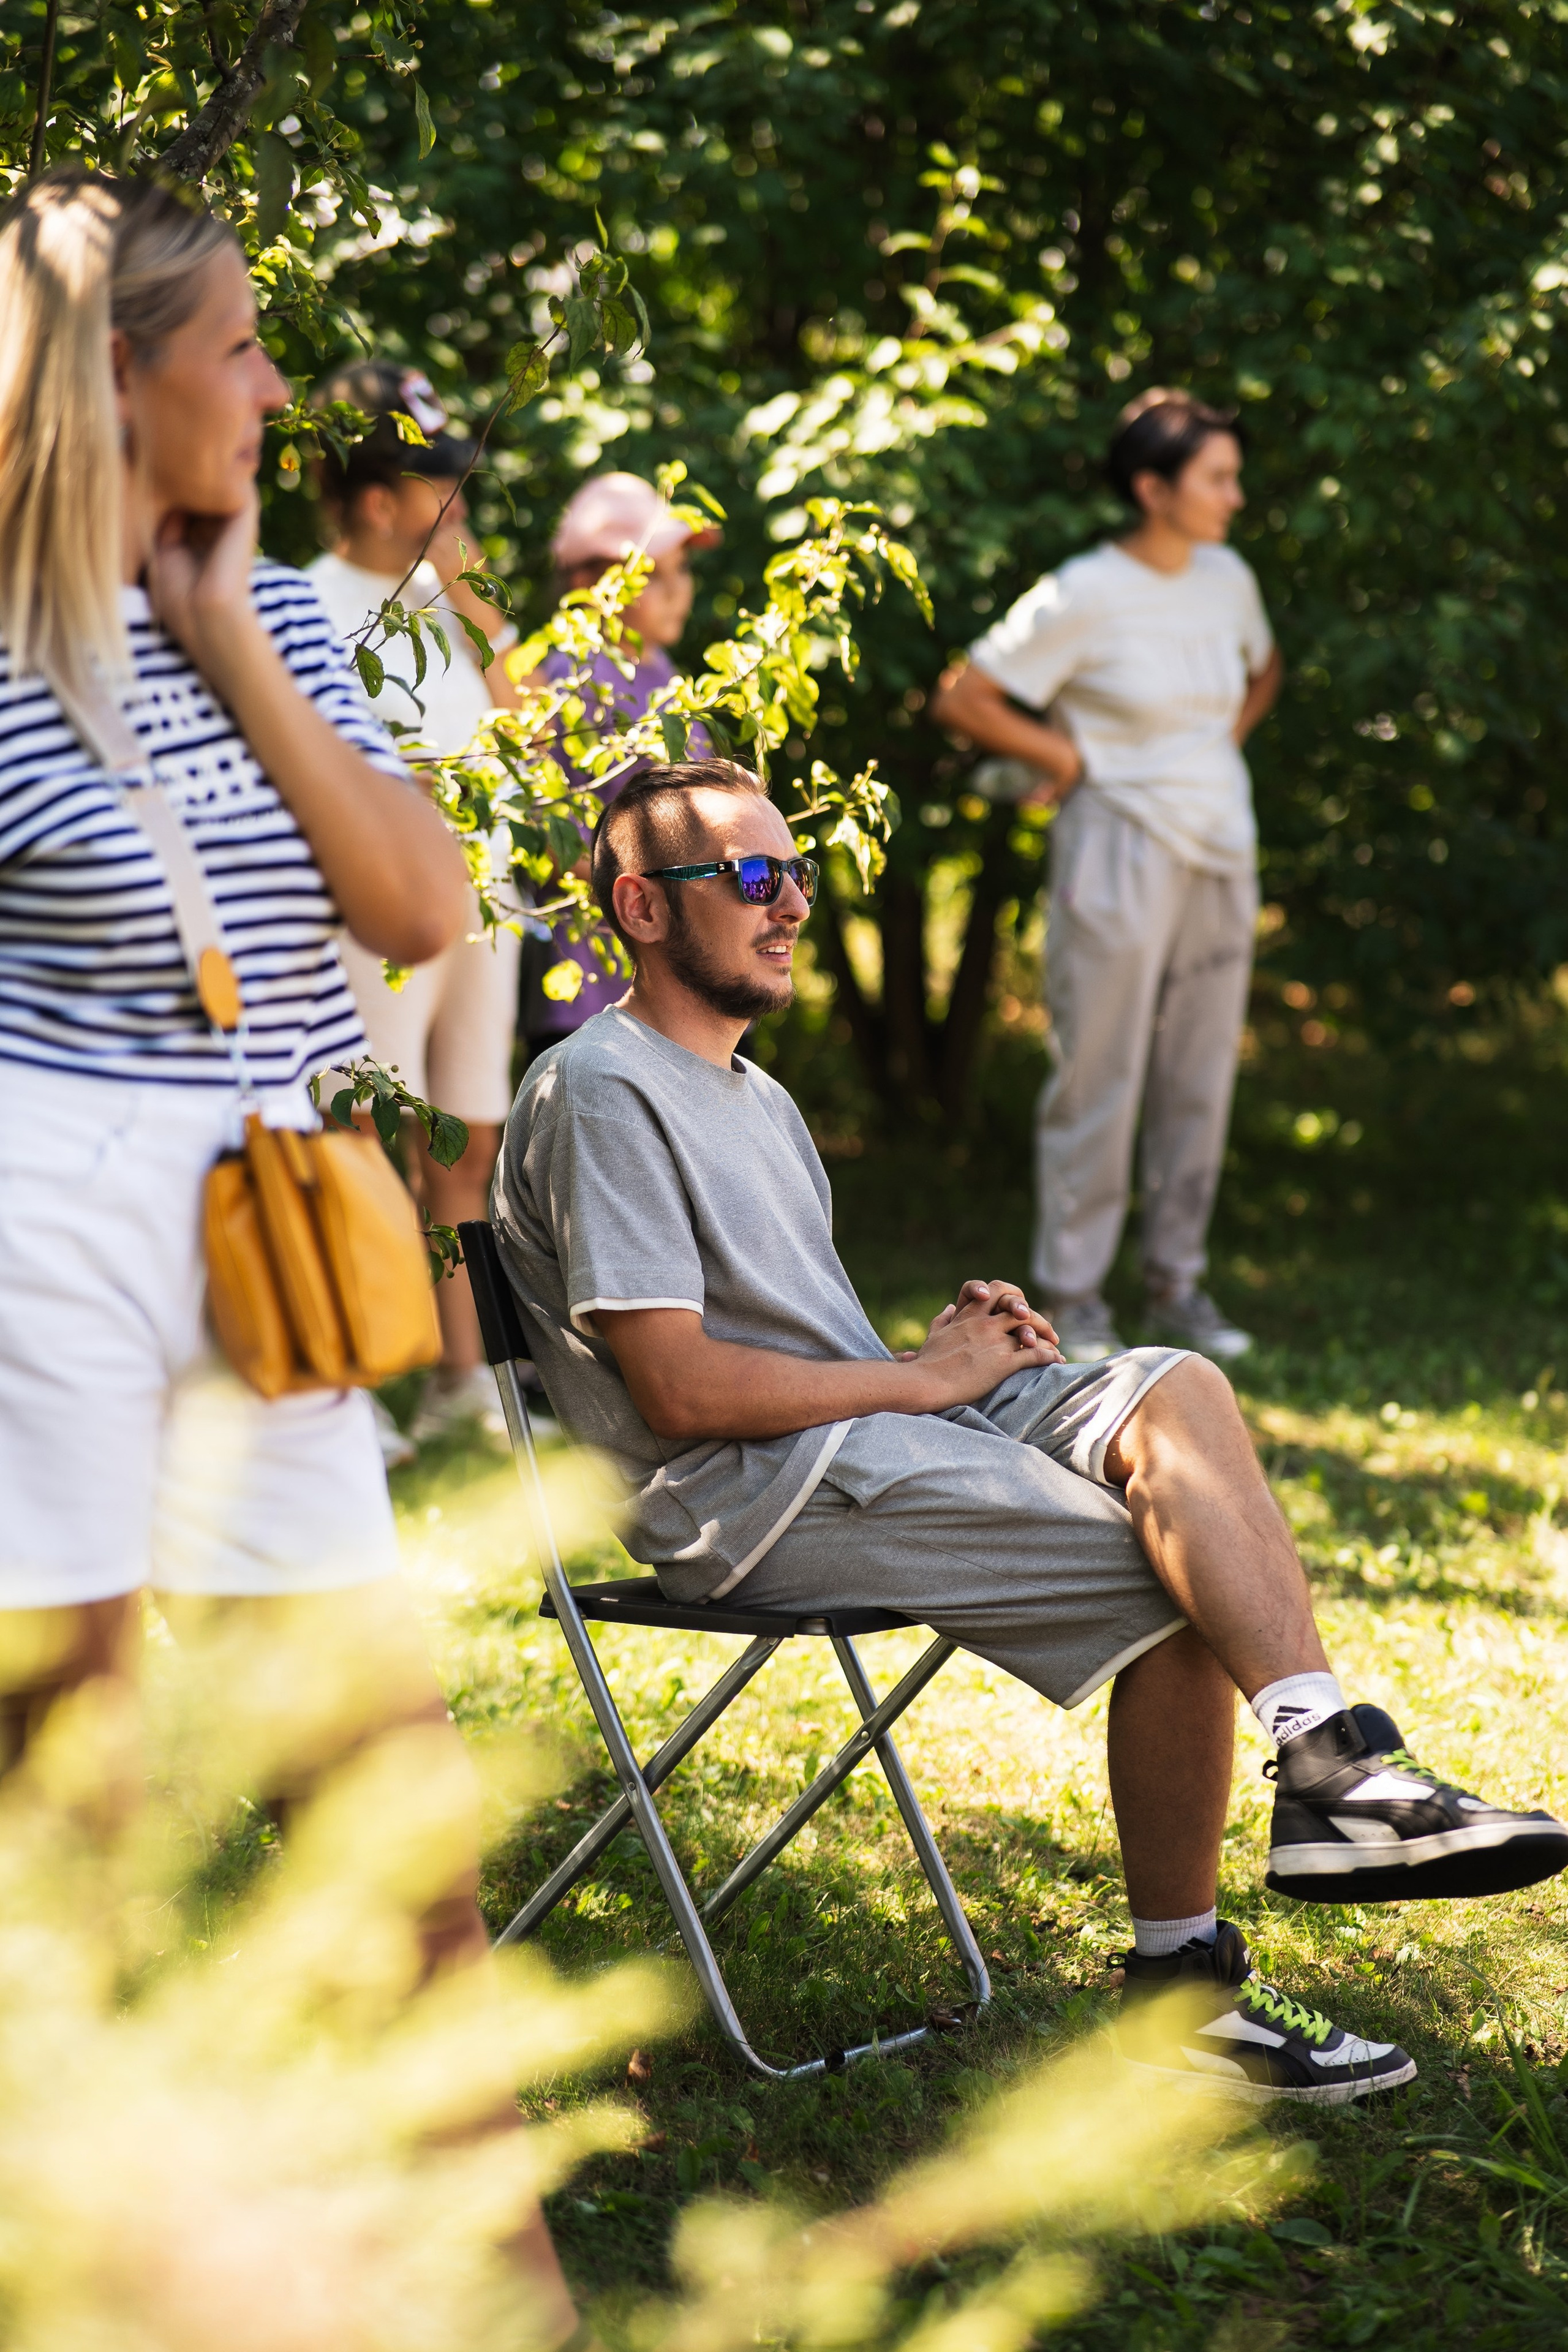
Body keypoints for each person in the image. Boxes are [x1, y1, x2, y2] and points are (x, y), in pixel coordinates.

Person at [492, 758, 1568, 2106]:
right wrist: (916, 1382)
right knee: (1181, 1577)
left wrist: (940, 1357)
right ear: (643, 908)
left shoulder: (755, 1096)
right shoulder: (602, 1088)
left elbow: (794, 1347)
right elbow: (682, 1393)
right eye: (753, 877)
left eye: (798, 876)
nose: (792, 906)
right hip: (748, 1499)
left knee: (1177, 1387)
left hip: (852, 1439)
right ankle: (1187, 1991)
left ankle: (1328, 1763)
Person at [0, 169, 578, 2337]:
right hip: (39, 1219)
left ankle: (520, 2304)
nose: (272, 390)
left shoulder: (272, 619)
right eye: (237, 348)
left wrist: (231, 628)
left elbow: (420, 907)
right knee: (69, 1830)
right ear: (112, 376)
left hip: (264, 1234)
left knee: (396, 1830)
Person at [930, 390, 1284, 1365]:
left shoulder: (1229, 578)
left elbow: (1264, 671)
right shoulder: (1086, 591)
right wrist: (1069, 759)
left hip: (1222, 847)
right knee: (1100, 1075)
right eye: (1217, 479)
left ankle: (1177, 1284)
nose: (1236, 497)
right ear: (1153, 489)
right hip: (1115, 845)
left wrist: (1208, 750)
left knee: (1199, 1078)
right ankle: (1076, 1299)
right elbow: (964, 696)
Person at [309, 360, 522, 1453]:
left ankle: (461, 1376)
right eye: (436, 481)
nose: (457, 502)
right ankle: (348, 1383)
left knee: (468, 1140)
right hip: (372, 913)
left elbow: (527, 728)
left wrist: (473, 593)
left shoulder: (447, 598)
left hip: (485, 898)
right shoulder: (310, 603)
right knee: (363, 1134)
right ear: (375, 496)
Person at [519, 471, 715, 1056]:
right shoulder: (567, 679)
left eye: (683, 570)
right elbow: (545, 834)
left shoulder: (667, 675)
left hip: (686, 981)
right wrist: (657, 899)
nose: (678, 590)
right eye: (655, 574)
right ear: (591, 582)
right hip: (594, 989)